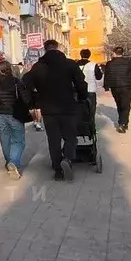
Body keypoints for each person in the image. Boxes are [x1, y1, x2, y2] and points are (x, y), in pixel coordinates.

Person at [24, 39, 88, 181]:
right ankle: (67, 157)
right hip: (68, 107)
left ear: (45, 49)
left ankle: (58, 169)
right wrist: (82, 98)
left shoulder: (38, 67)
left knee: (53, 140)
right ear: (58, 48)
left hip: (48, 110)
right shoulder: (70, 64)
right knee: (71, 137)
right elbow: (81, 84)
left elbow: (25, 83)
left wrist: (33, 101)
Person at [0, 59, 33, 180]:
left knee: (4, 139)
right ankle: (14, 162)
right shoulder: (16, 82)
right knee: (18, 140)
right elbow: (26, 99)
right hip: (15, 114)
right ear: (9, 69)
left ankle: (8, 162)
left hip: (0, 115)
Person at [103, 46, 131, 133]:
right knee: (126, 105)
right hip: (127, 86)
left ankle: (121, 122)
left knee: (119, 104)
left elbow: (106, 76)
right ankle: (123, 124)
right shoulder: (128, 62)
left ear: (114, 53)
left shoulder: (109, 64)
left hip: (115, 87)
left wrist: (106, 87)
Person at [75, 48, 103, 124]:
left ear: (81, 55)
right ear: (89, 55)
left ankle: (80, 127)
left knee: (79, 109)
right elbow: (99, 77)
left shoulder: (75, 64)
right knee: (91, 109)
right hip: (91, 90)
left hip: (79, 90)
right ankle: (91, 126)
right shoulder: (93, 65)